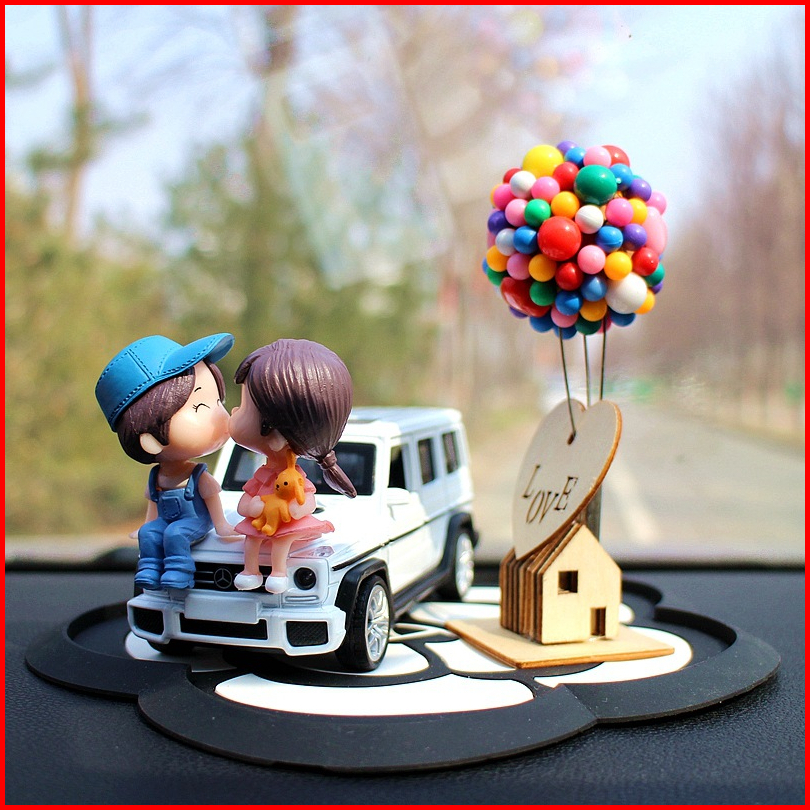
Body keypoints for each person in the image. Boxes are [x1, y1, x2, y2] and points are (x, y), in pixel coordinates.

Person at [95, 334, 237, 590]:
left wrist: (222, 526)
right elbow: (153, 505)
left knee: (175, 534)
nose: (221, 415)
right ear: (147, 436)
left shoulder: (198, 476)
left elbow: (213, 501)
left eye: (218, 401)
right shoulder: (157, 477)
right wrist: (146, 525)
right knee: (149, 533)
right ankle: (149, 569)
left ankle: (179, 571)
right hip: (169, 521)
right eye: (200, 406)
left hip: (194, 522)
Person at [228, 339, 356, 593]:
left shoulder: (294, 478)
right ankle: (250, 570)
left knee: (282, 540)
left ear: (275, 435)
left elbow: (307, 502)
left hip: (283, 523)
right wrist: (252, 506)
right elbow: (245, 502)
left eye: (243, 408)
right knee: (251, 539)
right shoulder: (264, 474)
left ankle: (278, 572)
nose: (232, 410)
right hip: (262, 521)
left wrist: (292, 509)